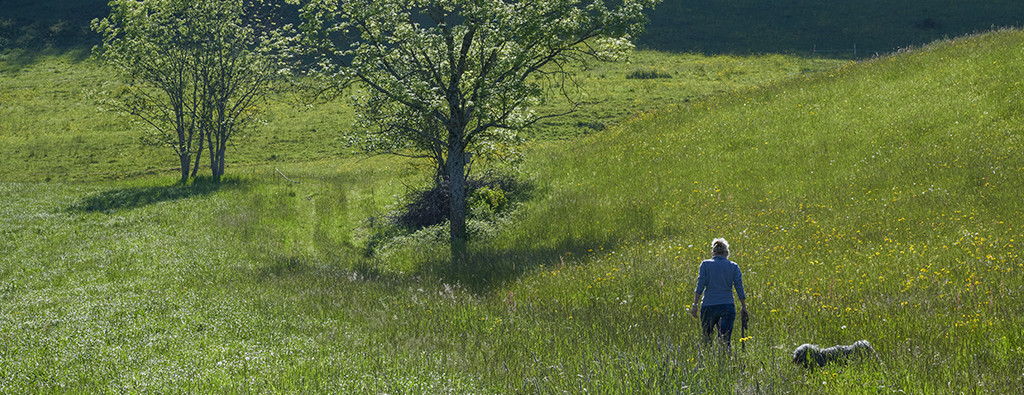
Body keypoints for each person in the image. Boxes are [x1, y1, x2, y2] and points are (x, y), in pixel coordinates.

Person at [689, 238, 747, 347]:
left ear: (713, 253)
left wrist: (695, 305)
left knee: (707, 340)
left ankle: (708, 361)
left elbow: (700, 285)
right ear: (726, 253)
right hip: (727, 306)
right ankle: (725, 361)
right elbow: (739, 286)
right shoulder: (733, 266)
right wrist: (743, 306)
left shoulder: (705, 265)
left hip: (708, 306)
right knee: (725, 341)